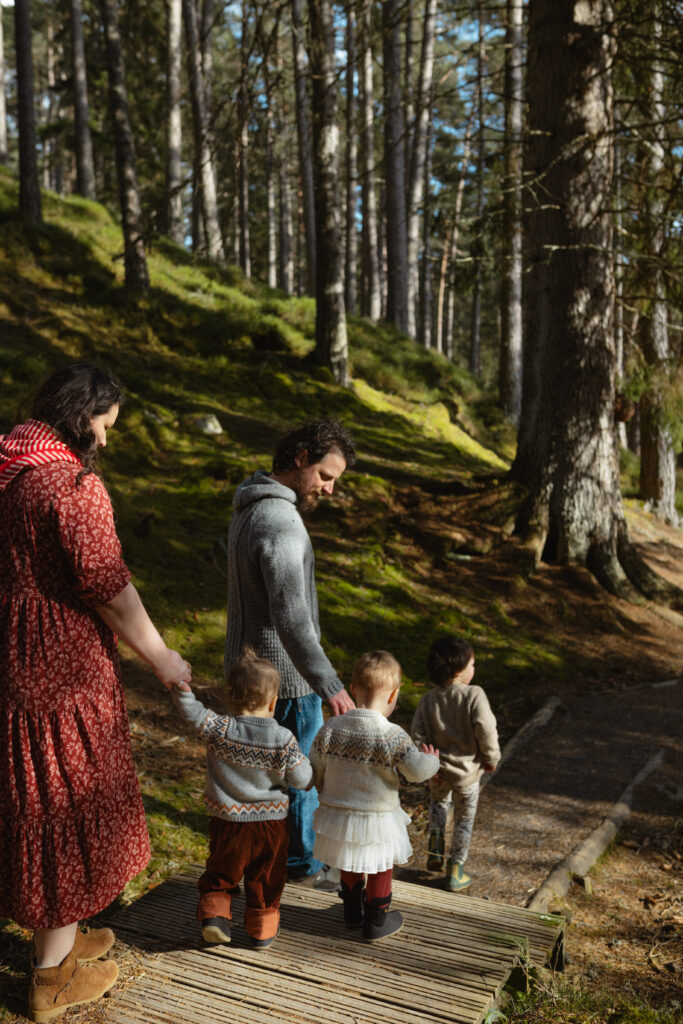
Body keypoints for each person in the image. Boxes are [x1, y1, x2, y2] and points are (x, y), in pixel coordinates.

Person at [0, 363, 191, 1022]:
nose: (105, 442)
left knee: (37, 796)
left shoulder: (11, 471)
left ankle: (63, 935)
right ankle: (51, 978)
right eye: (105, 426)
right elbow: (106, 586)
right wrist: (161, 655)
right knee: (64, 807)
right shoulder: (71, 486)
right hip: (61, 670)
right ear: (82, 416)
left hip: (15, 657)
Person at [224, 419, 356, 889]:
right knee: (296, 779)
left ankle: (252, 868)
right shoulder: (281, 521)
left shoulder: (248, 505)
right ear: (300, 458)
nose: (330, 489)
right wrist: (330, 685)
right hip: (286, 679)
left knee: (251, 780)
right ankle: (300, 868)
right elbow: (291, 618)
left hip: (247, 673)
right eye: (325, 475)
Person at [170, 649, 312, 950]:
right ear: (273, 703)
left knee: (222, 869)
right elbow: (301, 779)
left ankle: (215, 916)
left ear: (231, 697)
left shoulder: (219, 729)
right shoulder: (283, 739)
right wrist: (314, 773)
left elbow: (192, 712)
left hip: (228, 822)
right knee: (267, 874)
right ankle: (261, 927)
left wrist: (181, 687)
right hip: (271, 824)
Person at [310, 651, 439, 941]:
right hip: (378, 817)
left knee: (349, 859)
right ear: (393, 695)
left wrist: (314, 782)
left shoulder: (331, 728)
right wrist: (432, 761)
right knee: (381, 864)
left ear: (353, 689)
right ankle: (376, 920)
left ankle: (352, 912)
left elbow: (315, 767)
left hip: (338, 814)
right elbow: (417, 771)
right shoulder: (393, 735)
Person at [411, 636, 500, 892]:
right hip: (467, 775)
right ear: (460, 670)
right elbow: (486, 730)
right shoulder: (475, 695)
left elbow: (417, 734)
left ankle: (435, 850)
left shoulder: (428, 699)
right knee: (463, 820)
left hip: (437, 771)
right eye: (473, 664)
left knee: (438, 804)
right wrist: (491, 758)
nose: (475, 669)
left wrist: (427, 764)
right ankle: (455, 871)